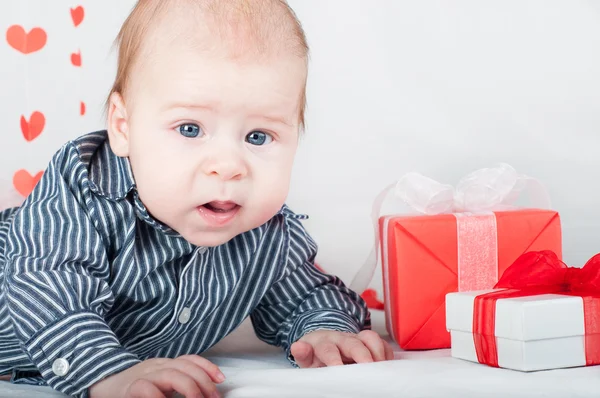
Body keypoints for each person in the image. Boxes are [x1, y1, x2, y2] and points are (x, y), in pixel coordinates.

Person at [0, 1, 393, 397]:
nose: (227, 166)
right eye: (190, 128)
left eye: (258, 136)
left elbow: (306, 292)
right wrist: (108, 374)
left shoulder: (267, 233)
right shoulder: (83, 190)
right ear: (123, 127)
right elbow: (49, 287)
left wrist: (325, 329)